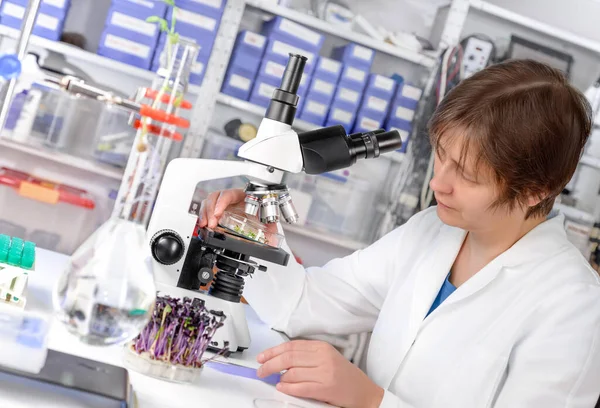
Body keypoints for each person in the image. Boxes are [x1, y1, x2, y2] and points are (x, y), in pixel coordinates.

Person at [199, 59, 600, 408]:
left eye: (466, 174)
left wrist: (372, 401)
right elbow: (306, 304)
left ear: (536, 190)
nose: (438, 183)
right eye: (441, 156)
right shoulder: (431, 230)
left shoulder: (573, 306)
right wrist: (253, 233)